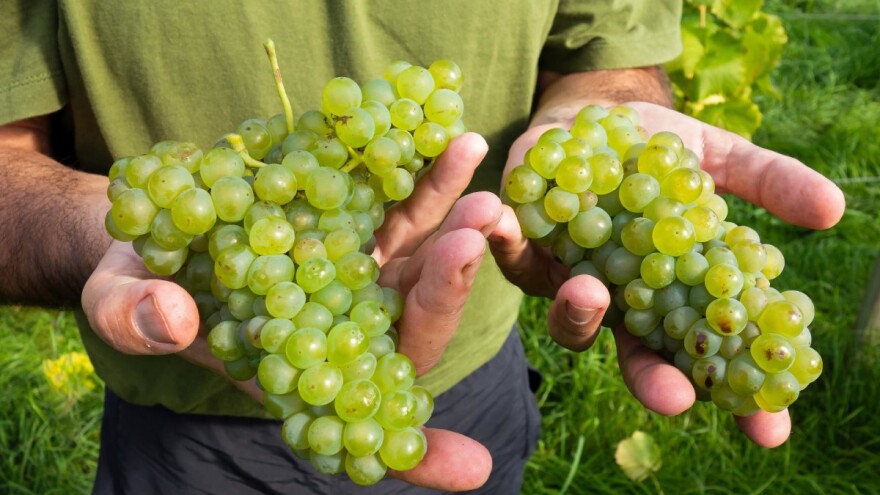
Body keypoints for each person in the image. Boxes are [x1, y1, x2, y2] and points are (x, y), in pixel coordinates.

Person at [0, 1, 845, 494]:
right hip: (183, 428)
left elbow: (605, 57)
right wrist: (122, 228)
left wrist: (600, 118)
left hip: (472, 370)